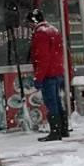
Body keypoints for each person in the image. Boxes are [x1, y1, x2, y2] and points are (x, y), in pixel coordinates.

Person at [28, 9, 68, 141]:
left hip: (48, 74)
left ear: (34, 22)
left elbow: (42, 58)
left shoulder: (41, 33)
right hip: (57, 72)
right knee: (58, 100)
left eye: (30, 24)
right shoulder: (53, 30)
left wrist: (38, 77)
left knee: (51, 102)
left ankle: (55, 131)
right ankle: (63, 129)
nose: (29, 27)